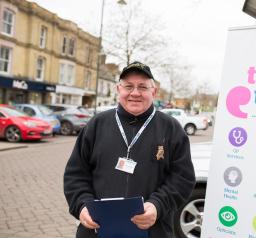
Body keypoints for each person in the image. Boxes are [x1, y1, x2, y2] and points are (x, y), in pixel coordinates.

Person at [63, 61, 196, 238]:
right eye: (128, 86)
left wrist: (158, 205)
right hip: (97, 230)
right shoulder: (97, 124)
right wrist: (82, 205)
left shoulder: (171, 128)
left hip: (153, 231)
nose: (135, 93)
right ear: (119, 89)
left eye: (142, 87)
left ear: (153, 92)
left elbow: (183, 178)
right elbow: (75, 174)